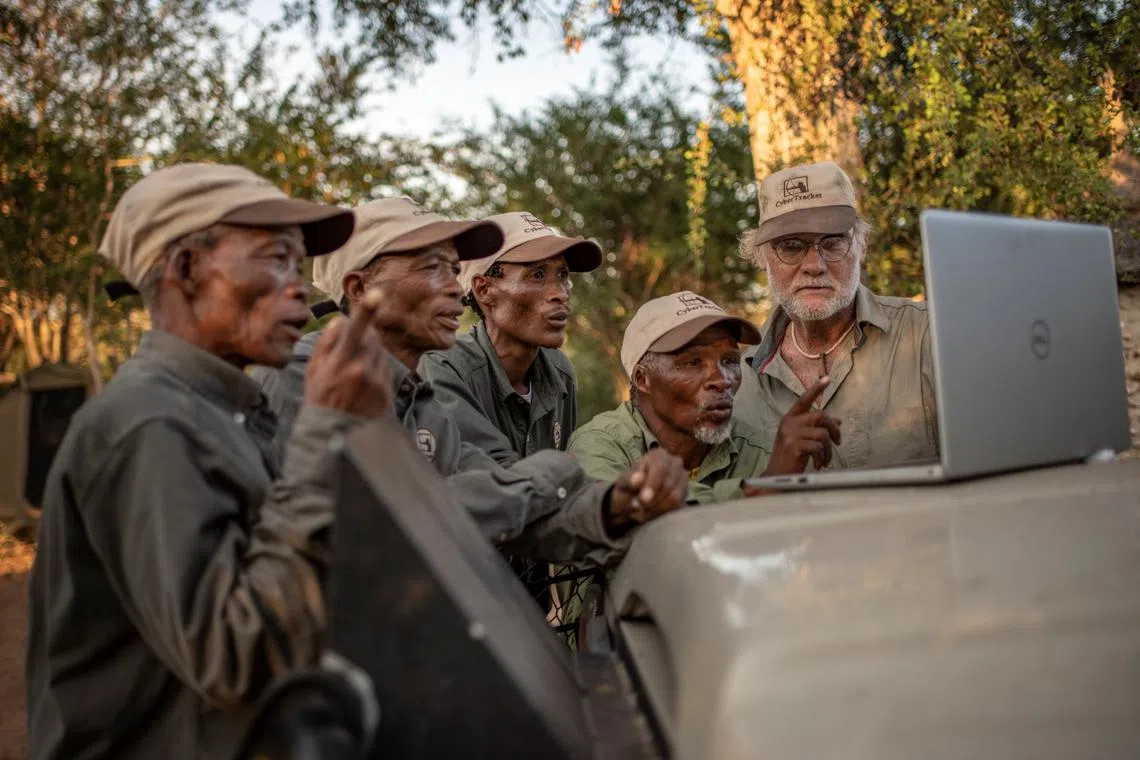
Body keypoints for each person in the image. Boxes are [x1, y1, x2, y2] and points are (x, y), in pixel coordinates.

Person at [26, 163, 392, 760]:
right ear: (186, 269)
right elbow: (234, 655)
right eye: (275, 259)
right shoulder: (151, 422)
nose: (297, 286)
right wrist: (326, 431)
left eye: (298, 267)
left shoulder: (224, 410)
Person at [251, 197, 690, 567]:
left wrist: (615, 506)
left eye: (453, 268)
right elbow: (372, 532)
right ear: (360, 288)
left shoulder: (421, 402)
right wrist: (561, 469)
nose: (453, 288)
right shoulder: (298, 378)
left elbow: (515, 511)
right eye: (432, 269)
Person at [733, 160, 939, 470]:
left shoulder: (929, 337)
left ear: (862, 246)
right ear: (762, 257)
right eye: (791, 246)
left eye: (832, 242)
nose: (814, 264)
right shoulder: (736, 383)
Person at [569, 291, 840, 503]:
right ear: (643, 379)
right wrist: (768, 486)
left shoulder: (760, 451)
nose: (722, 380)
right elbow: (630, 530)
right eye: (693, 362)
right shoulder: (600, 446)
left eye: (730, 361)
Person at [419, 211, 602, 464]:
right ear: (484, 290)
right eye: (537, 275)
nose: (560, 293)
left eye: (562, 275)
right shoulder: (444, 368)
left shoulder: (560, 372)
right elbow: (494, 476)